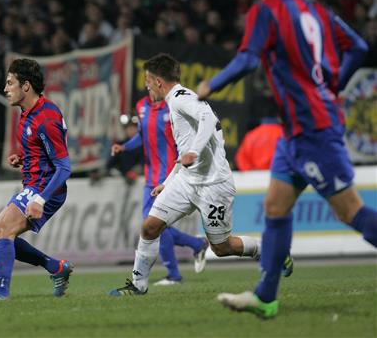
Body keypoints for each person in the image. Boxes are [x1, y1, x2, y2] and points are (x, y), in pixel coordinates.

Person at [196, 0, 376, 319]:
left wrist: (211, 86)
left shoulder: (266, 10)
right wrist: (334, 86)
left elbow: (248, 58)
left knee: (350, 211)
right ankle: (265, 296)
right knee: (275, 207)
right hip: (295, 130)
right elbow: (358, 46)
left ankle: (265, 294)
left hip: (313, 128)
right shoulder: (316, 10)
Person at [109, 54, 292, 297]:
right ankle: (138, 285)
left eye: (147, 81)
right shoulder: (176, 101)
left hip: (213, 184)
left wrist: (194, 151)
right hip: (185, 181)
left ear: (158, 82)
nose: (146, 86)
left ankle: (273, 252)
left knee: (222, 247)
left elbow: (209, 119)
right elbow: (184, 151)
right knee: (150, 227)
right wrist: (168, 181)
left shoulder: (181, 99)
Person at [0, 58, 72, 301]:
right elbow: (41, 153)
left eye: (10, 83)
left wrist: (39, 199)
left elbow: (64, 167)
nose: (5, 89)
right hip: (34, 184)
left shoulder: (46, 118)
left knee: (3, 230)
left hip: (47, 188)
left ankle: (1, 292)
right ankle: (55, 267)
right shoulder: (28, 113)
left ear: (26, 86)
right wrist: (24, 159)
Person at [111, 96, 210, 286]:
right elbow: (142, 136)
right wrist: (124, 147)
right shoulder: (142, 105)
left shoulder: (174, 107)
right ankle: (196, 245)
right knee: (154, 226)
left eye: (151, 80)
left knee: (154, 225)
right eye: (147, 81)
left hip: (167, 176)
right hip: (150, 178)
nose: (149, 85)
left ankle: (174, 274)